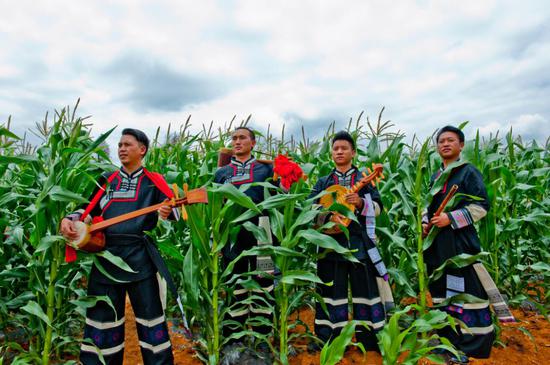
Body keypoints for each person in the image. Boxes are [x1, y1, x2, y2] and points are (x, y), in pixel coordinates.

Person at [60, 128, 177, 365]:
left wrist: (168, 210)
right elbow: (87, 209)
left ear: (142, 150)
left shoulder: (154, 181)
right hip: (106, 258)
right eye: (120, 145)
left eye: (127, 145)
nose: (121, 149)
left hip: (140, 258)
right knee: (103, 318)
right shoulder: (108, 180)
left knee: (150, 317)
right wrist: (69, 219)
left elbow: (173, 209)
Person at [309, 131, 388, 351]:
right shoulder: (323, 182)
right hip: (329, 247)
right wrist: (327, 217)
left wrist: (362, 203)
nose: (340, 152)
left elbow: (380, 208)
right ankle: (331, 339)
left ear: (353, 152)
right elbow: (309, 209)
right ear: (331, 153)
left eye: (344, 148)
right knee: (330, 292)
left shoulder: (364, 180)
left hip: (358, 244)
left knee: (366, 291)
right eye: (336, 148)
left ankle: (369, 340)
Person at [423, 125, 495, 363]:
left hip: (459, 244)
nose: (445, 144)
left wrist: (450, 218)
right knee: (443, 291)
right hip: (437, 245)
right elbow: (427, 206)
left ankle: (470, 345)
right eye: (441, 141)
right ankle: (448, 341)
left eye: (450, 140)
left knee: (465, 291)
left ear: (461, 145)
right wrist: (426, 223)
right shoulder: (436, 177)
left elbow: (481, 207)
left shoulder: (468, 172)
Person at [214, 127, 274, 361]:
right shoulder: (222, 173)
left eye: (242, 138)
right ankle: (234, 338)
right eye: (234, 138)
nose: (237, 142)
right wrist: (216, 239)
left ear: (253, 142)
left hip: (263, 232)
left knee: (264, 281)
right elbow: (215, 207)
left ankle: (262, 336)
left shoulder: (266, 169)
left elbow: (281, 194)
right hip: (232, 234)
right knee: (235, 281)